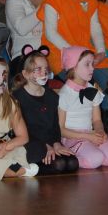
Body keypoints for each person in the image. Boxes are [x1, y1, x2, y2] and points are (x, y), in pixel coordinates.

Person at [38, 0, 107, 76]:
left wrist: (101, 51)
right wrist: (76, 54)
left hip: (86, 55)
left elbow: (95, 26)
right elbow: (50, 33)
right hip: (62, 57)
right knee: (84, 83)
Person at [12, 45, 79, 174]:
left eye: (45, 69)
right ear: (25, 74)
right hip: (30, 143)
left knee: (72, 163)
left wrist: (56, 143)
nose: (43, 73)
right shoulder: (17, 98)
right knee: (59, 164)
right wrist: (45, 146)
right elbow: (21, 132)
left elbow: (55, 126)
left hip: (49, 142)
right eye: (38, 69)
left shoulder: (52, 96)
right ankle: (31, 167)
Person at [58, 47, 108, 169]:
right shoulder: (64, 94)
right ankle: (72, 159)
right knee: (96, 158)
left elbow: (97, 120)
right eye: (87, 64)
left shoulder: (92, 89)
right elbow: (61, 129)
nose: (92, 68)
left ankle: (92, 154)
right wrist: (87, 137)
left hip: (90, 133)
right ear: (73, 67)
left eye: (92, 64)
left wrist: (100, 131)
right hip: (72, 137)